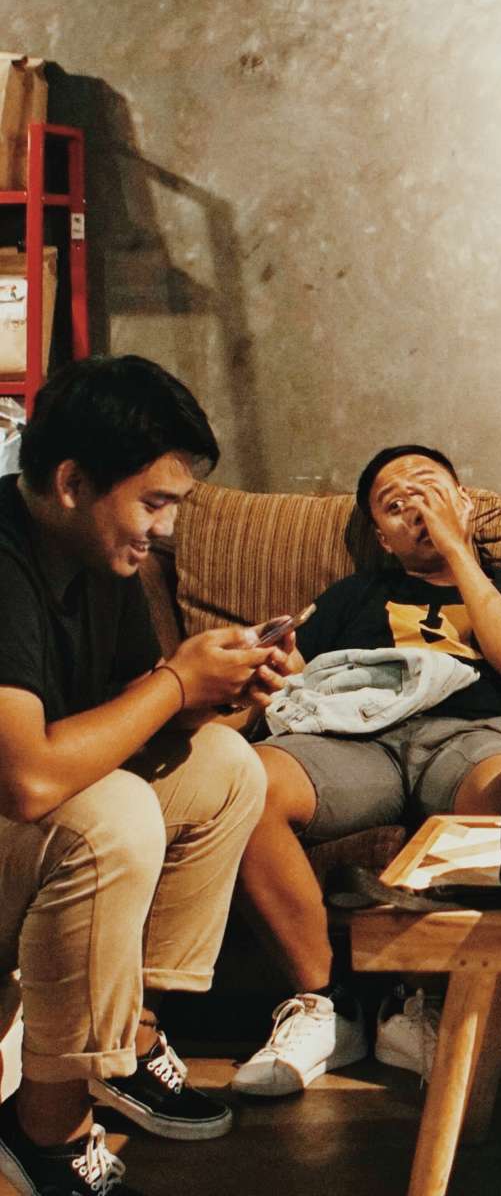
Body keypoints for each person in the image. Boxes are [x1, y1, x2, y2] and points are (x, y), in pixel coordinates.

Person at [0, 356, 272, 1196]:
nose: (164, 526)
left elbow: (123, 718)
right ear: (72, 482)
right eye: (153, 502)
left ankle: (129, 1038)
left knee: (224, 766)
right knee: (110, 816)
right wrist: (178, 682)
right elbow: (27, 779)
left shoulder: (98, 555)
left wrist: (218, 692)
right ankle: (45, 1130)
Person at [230, 445, 501, 1097]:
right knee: (244, 783)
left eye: (429, 489)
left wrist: (456, 549)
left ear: (464, 501)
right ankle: (327, 1006)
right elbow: (291, 678)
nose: (415, 505)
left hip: (468, 734)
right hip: (353, 735)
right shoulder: (351, 596)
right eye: (395, 504)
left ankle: (427, 1005)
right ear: (384, 539)